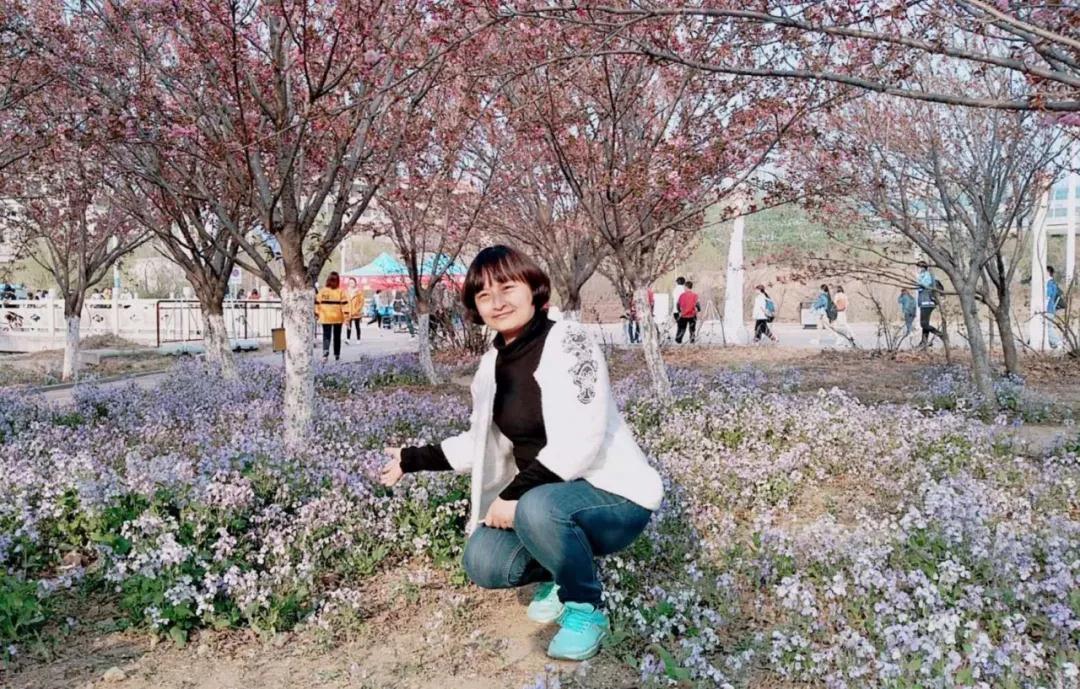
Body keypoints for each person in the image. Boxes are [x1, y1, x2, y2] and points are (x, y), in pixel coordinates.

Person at [379, 245, 662, 662]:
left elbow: (582, 437)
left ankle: (586, 606)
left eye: (507, 288)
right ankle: (562, 569)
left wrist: (513, 495)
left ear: (533, 289)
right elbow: (480, 442)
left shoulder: (570, 341)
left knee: (537, 507)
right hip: (542, 500)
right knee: (484, 560)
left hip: (612, 496)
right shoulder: (491, 366)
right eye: (484, 295)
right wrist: (411, 459)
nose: (497, 302)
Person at [315, 272, 350, 361]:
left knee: (326, 336)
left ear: (328, 280)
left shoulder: (322, 291)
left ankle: (325, 353)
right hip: (337, 317)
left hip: (325, 317)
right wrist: (346, 318)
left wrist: (316, 314)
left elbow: (317, 303)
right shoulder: (340, 292)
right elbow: (345, 305)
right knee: (337, 336)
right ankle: (337, 354)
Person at [916, 261, 944, 349]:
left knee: (923, 324)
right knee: (925, 323)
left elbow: (923, 286)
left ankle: (941, 334)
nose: (917, 269)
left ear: (923, 268)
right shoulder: (928, 276)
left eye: (918, 267)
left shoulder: (926, 276)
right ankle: (924, 342)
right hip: (927, 302)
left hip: (927, 302)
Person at [1047, 266, 1063, 349]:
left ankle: (1058, 342)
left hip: (1048, 308)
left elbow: (1048, 296)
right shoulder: (1052, 283)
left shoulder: (1049, 283)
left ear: (1048, 273)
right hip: (1051, 308)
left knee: (1048, 326)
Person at [346, 278, 364, 343]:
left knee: (357, 326)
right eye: (350, 282)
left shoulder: (359, 292)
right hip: (349, 311)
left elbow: (361, 302)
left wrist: (357, 310)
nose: (351, 284)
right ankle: (348, 339)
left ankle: (358, 339)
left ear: (355, 283)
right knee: (348, 326)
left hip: (356, 312)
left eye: (352, 282)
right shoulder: (346, 292)